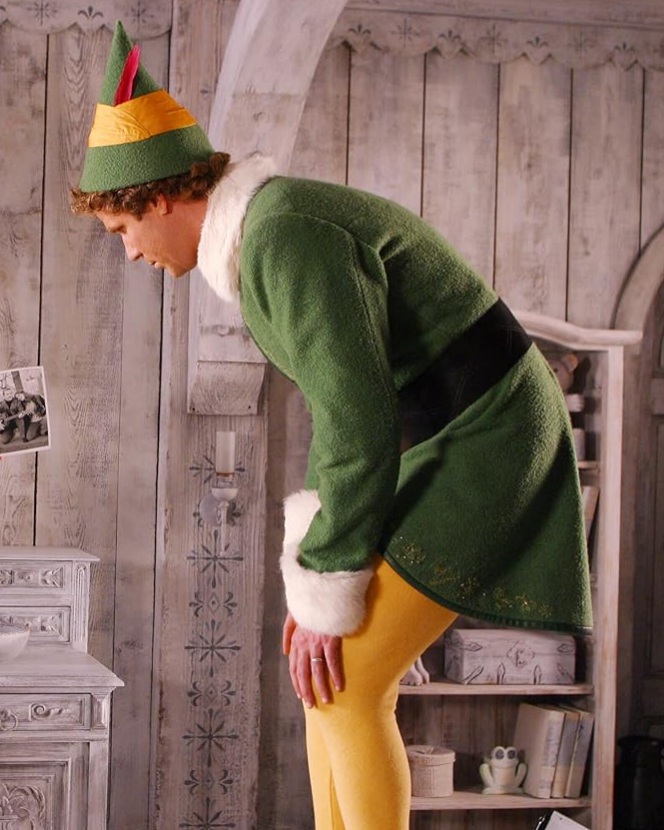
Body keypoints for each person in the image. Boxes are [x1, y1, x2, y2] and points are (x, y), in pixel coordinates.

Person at [70, 23, 590, 830]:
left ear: (159, 197)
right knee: (330, 682)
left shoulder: (285, 236)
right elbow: (343, 411)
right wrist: (321, 569)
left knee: (350, 684)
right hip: (447, 436)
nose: (131, 253)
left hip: (486, 436)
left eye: (122, 231)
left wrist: (330, 580)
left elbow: (357, 417)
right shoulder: (266, 239)